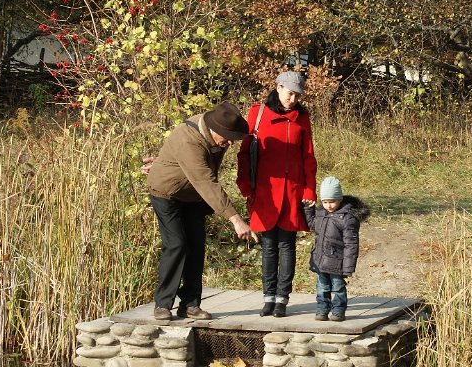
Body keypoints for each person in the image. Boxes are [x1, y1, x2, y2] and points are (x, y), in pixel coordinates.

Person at [143, 102, 256, 322]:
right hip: (166, 193)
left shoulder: (217, 135)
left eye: (233, 138)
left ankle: (190, 305)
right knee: (176, 244)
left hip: (193, 195)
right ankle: (163, 304)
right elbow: (206, 181)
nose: (230, 143)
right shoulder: (189, 138)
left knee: (196, 246)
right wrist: (235, 219)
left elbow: (204, 173)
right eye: (228, 138)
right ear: (215, 129)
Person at [236, 71, 317, 318]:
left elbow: (308, 155)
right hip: (265, 192)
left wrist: (309, 189)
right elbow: (244, 153)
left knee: (287, 245)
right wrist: (245, 186)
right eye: (290, 93)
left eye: (297, 95)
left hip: (293, 190)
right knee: (269, 245)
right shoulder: (258, 113)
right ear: (278, 87)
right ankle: (268, 297)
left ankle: (282, 298)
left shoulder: (302, 117)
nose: (293, 99)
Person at [303, 176, 370, 322]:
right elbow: (312, 225)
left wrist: (348, 267)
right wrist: (308, 209)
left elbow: (351, 244)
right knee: (322, 287)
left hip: (337, 262)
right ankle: (322, 310)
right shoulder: (321, 214)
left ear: (340, 199)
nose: (329, 205)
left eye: (332, 201)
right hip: (321, 260)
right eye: (325, 202)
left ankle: (338, 311)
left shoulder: (347, 218)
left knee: (338, 287)